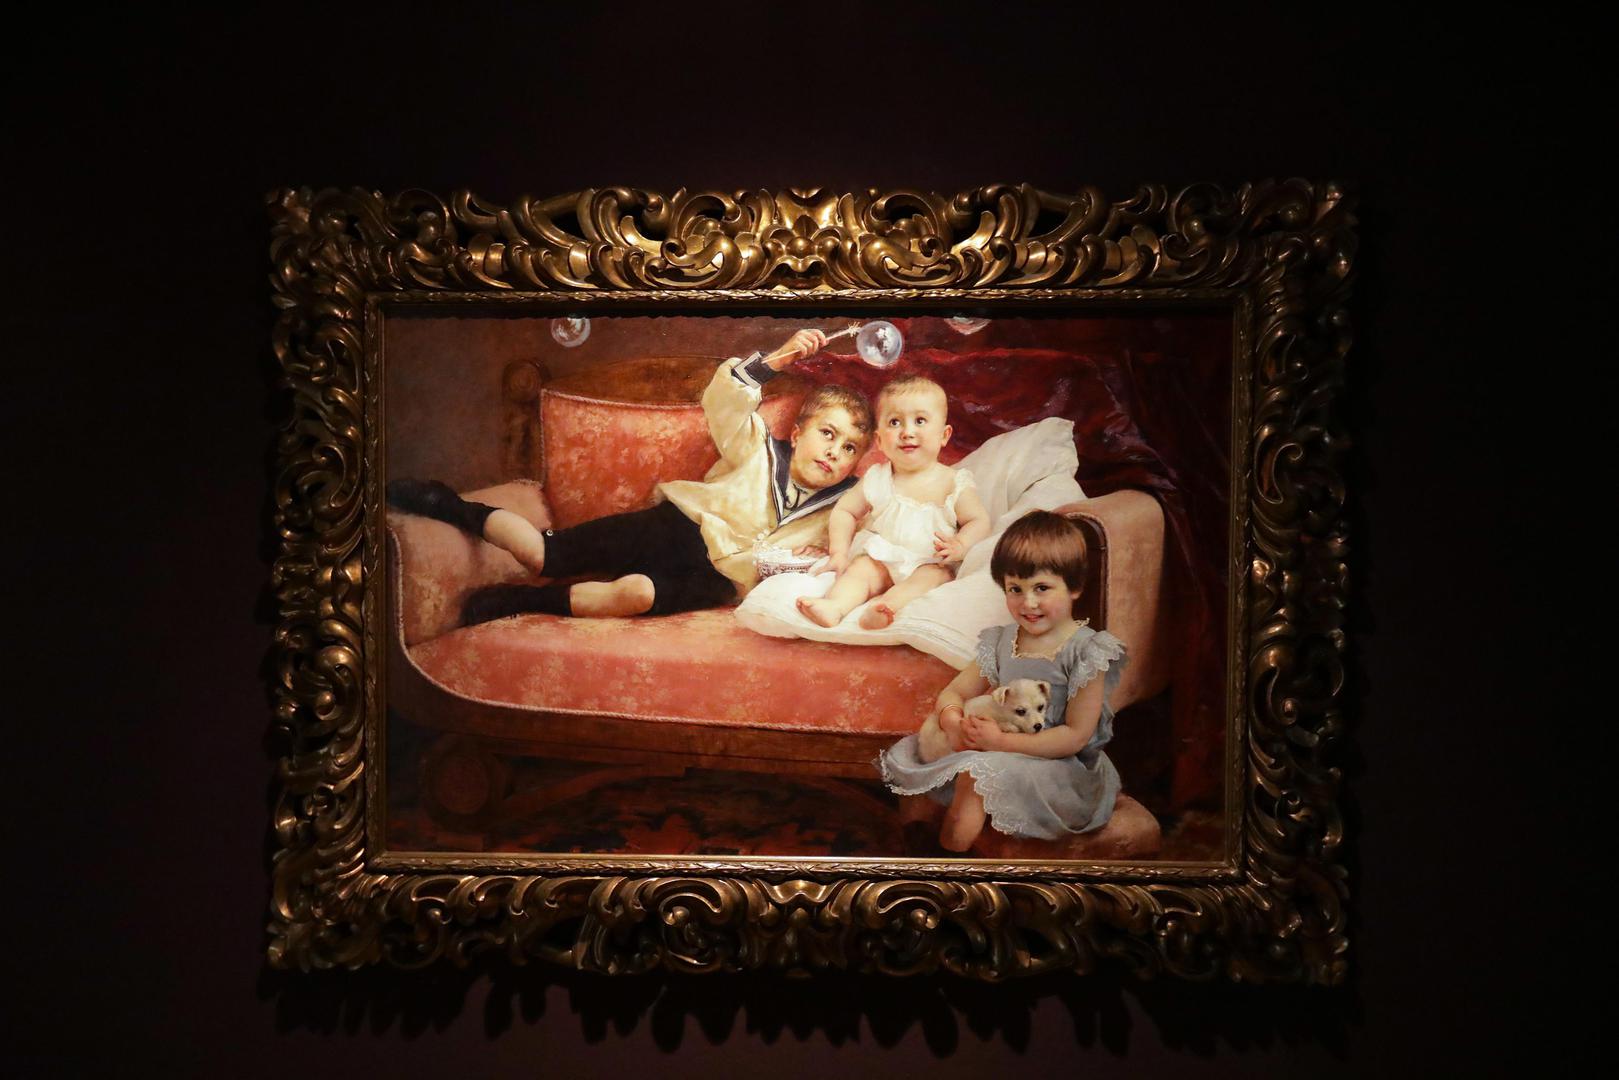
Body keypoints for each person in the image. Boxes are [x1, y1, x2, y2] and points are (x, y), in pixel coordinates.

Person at [387, 329, 874, 621]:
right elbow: (725, 400)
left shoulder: (845, 506)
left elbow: (860, 553)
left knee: (635, 594)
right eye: (827, 434)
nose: (834, 452)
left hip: (717, 580)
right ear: (798, 433)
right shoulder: (758, 447)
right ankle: (447, 504)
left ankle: (521, 602)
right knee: (541, 554)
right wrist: (778, 359)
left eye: (849, 448)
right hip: (674, 528)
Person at [877, 510, 1127, 852]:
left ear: (1074, 588)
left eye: (1042, 588)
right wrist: (953, 722)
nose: (1028, 603)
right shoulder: (1002, 642)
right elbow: (955, 692)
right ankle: (921, 851)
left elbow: (1075, 736)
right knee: (931, 745)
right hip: (997, 746)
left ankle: (949, 859)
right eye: (1015, 589)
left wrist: (1000, 742)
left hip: (1059, 767)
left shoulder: (1086, 651)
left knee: (977, 774)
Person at [795, 375, 990, 630]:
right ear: (879, 441)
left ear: (944, 435)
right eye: (895, 422)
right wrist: (839, 552)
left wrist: (961, 544)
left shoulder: (953, 482)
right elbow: (845, 511)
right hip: (882, 555)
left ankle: (887, 607)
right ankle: (835, 606)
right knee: (860, 571)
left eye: (920, 421)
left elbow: (978, 520)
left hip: (929, 560)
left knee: (934, 578)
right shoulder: (878, 477)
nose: (907, 432)